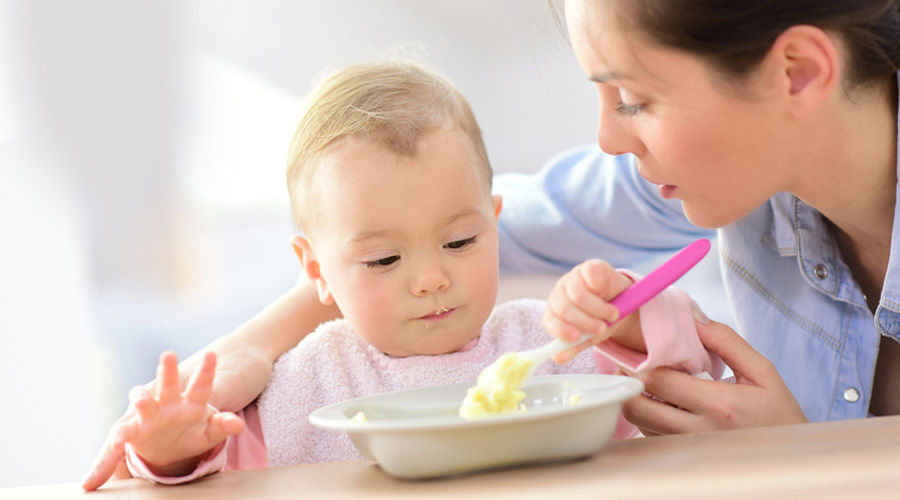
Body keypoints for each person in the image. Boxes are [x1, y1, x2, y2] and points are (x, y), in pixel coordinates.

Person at [85, 0, 900, 487]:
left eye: (635, 99)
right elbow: (463, 225)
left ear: (796, 72)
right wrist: (247, 352)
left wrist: (806, 455)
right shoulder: (709, 182)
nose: (607, 140)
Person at [83, 59, 718, 489]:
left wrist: (627, 318)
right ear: (316, 270)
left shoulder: (550, 346)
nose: (430, 279)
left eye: (461, 240)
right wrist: (171, 448)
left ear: (496, 223)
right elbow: (214, 467)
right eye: (385, 259)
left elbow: (682, 374)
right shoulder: (299, 384)